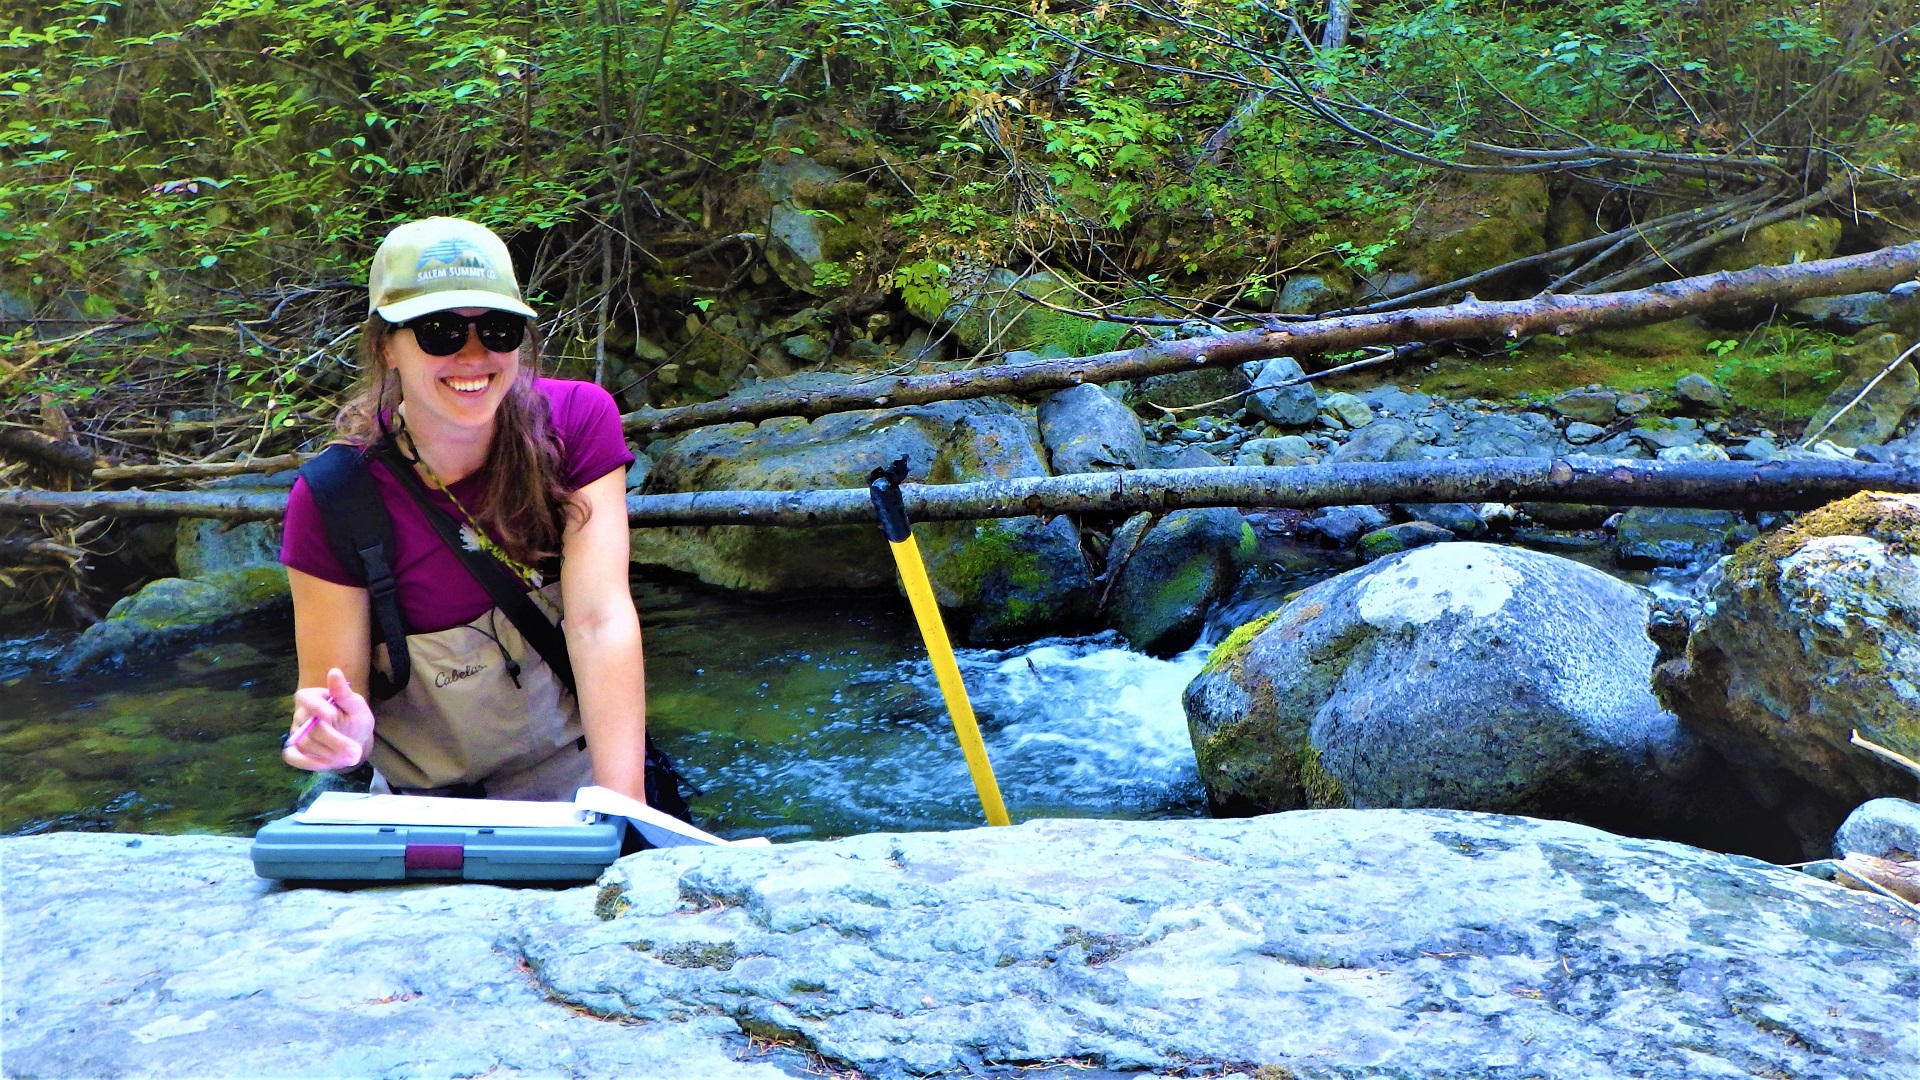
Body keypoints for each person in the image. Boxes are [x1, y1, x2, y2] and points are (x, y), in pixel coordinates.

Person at [277, 217, 649, 804]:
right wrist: (339, 737)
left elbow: (599, 623)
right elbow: (337, 698)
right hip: (428, 809)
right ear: (386, 347)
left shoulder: (578, 422)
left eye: (497, 329)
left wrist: (624, 813)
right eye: (439, 331)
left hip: (578, 780)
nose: (473, 355)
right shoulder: (334, 498)